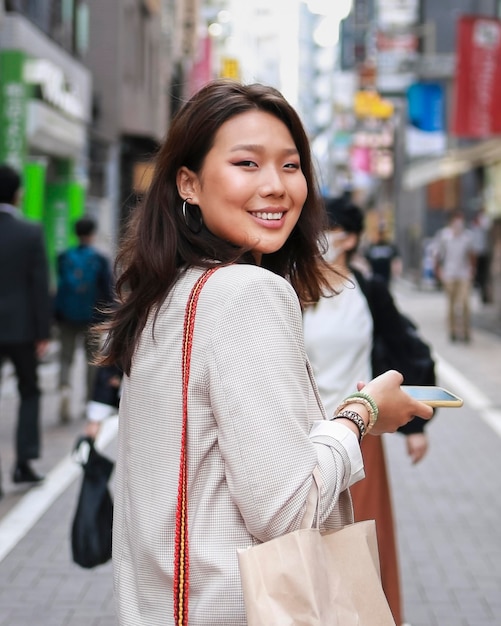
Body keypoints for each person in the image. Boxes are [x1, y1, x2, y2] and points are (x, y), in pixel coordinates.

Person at [96, 79, 433, 625]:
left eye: (291, 166)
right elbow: (287, 508)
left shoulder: (163, 295)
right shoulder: (246, 293)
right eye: (247, 164)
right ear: (188, 182)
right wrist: (363, 413)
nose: (276, 186)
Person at [303, 197, 434, 626]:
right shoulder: (286, 285)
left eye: (330, 229)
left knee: (358, 547)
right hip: (298, 435)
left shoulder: (369, 291)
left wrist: (415, 425)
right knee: (299, 548)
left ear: (351, 238)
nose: (320, 238)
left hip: (360, 436)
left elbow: (405, 349)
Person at [0, 163, 51, 490]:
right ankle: (23, 462)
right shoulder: (30, 232)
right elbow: (39, 285)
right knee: (29, 391)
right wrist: (43, 331)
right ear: (18, 194)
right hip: (21, 329)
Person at [54, 216, 114, 422]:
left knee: (65, 358)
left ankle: (64, 388)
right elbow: (107, 292)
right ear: (92, 233)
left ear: (76, 233)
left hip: (66, 317)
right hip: (92, 318)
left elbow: (60, 287)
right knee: (92, 360)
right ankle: (89, 400)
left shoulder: (63, 257)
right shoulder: (99, 259)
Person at [434, 210, 476, 342]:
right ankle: (452, 331)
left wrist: (471, 270)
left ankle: (466, 332)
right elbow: (437, 255)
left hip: (463, 274)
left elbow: (471, 254)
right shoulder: (444, 236)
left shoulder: (467, 237)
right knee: (451, 305)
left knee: (464, 304)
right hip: (449, 274)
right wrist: (439, 271)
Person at [470, 207, 492, 304]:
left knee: (484, 274)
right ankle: (479, 288)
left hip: (484, 252)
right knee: (479, 273)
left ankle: (484, 294)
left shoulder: (486, 220)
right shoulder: (474, 222)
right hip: (476, 251)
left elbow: (487, 227)